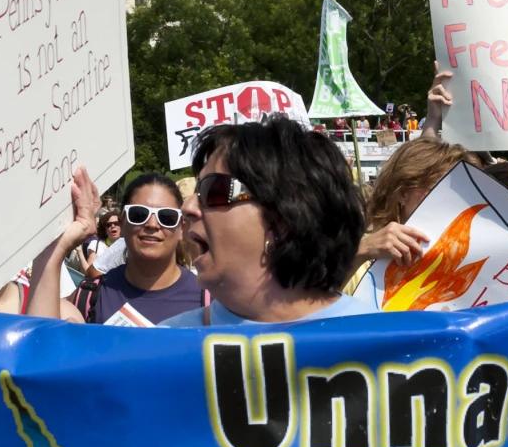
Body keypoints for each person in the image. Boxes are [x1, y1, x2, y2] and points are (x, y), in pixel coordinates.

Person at [162, 115, 372, 327]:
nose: (187, 207)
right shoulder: (163, 348)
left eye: (213, 190)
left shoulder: (387, 346)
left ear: (282, 219)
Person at [88, 172, 207, 325]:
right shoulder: (90, 297)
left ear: (181, 229)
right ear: (123, 224)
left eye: (167, 217)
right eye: (138, 214)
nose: (152, 224)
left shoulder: (211, 301)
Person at [360, 136, 468, 266]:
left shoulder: (466, 247)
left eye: (458, 193)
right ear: (403, 193)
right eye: (437, 189)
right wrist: (362, 251)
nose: (452, 201)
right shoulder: (361, 254)